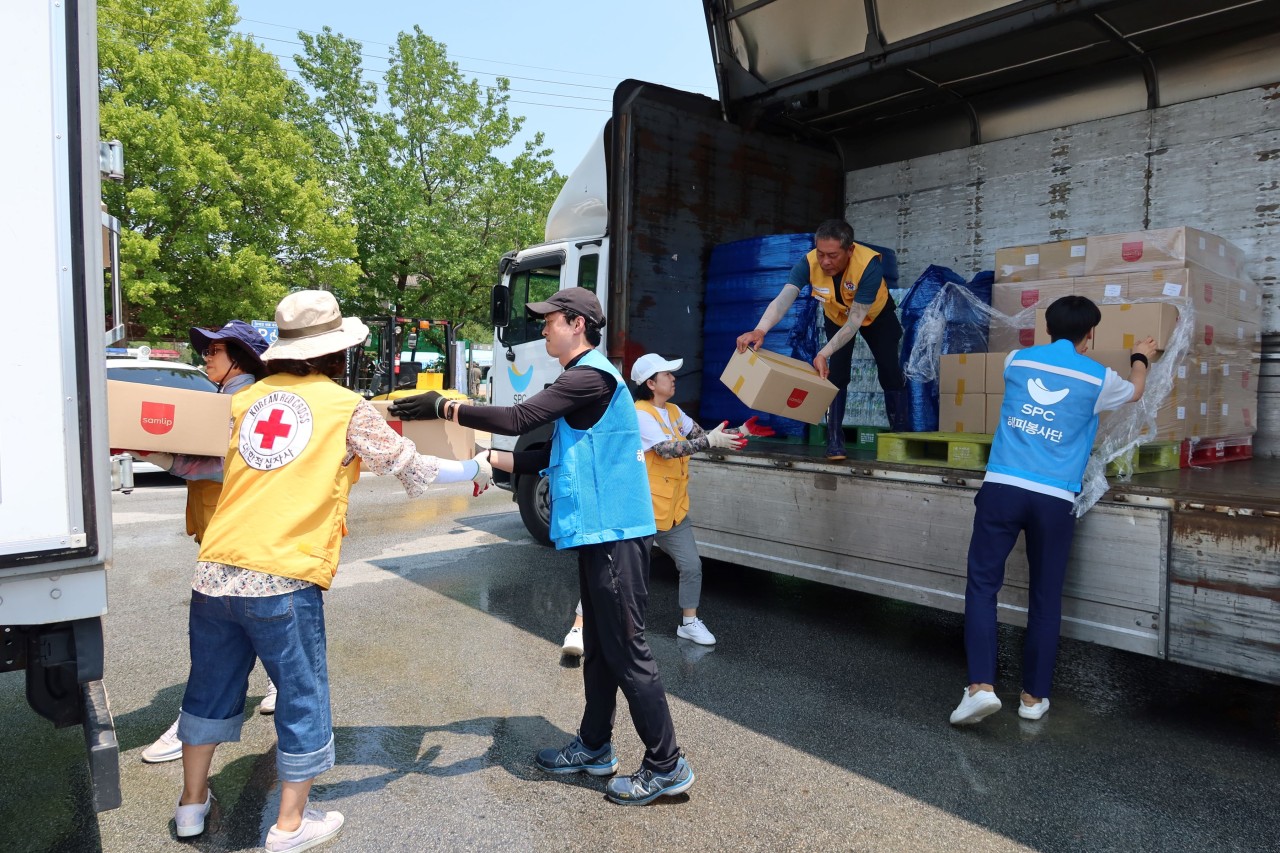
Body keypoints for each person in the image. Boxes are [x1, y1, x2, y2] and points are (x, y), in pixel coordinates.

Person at [172, 291, 492, 849]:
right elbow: (406, 463)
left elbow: (205, 460)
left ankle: (191, 807)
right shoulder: (344, 406)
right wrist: (475, 468)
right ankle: (290, 825)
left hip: (216, 568)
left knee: (208, 687)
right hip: (283, 572)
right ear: (337, 353)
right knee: (300, 693)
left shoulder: (247, 400)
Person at [388, 287, 695, 806]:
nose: (543, 329)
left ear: (576, 323)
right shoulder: (584, 381)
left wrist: (446, 406)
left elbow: (518, 419)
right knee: (600, 650)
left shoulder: (590, 376)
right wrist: (486, 464)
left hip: (616, 535)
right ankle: (595, 747)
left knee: (627, 650)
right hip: (599, 535)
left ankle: (667, 764)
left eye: (549, 320)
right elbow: (548, 456)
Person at [949, 296, 1157, 726]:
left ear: (1047, 328)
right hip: (1054, 497)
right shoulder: (1100, 378)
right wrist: (1141, 356)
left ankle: (980, 688)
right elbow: (1136, 393)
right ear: (1091, 335)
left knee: (983, 587)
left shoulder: (1016, 362)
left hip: (1002, 487)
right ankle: (1032, 699)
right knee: (1045, 597)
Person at [138, 321, 280, 764]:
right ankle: (275, 685)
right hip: (219, 524)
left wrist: (160, 455)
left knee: (222, 629)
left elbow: (226, 466)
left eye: (216, 349)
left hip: (235, 529)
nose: (206, 355)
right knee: (250, 619)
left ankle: (193, 725)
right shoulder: (221, 398)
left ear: (240, 356)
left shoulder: (244, 401)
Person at [559, 352, 753, 657]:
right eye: (667, 375)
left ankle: (689, 623)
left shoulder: (674, 412)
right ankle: (580, 627)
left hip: (673, 511)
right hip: (640, 510)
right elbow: (666, 449)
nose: (674, 379)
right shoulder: (639, 414)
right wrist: (709, 442)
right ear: (650, 383)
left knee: (691, 565)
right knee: (614, 572)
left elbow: (701, 436)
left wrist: (737, 433)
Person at [735, 219, 908, 461]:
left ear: (850, 250)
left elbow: (854, 323)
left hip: (873, 315)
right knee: (836, 375)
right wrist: (760, 330)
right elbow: (784, 299)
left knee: (889, 370)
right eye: (821, 253)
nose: (825, 261)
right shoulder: (808, 263)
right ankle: (835, 440)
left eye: (833, 255)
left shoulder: (868, 266)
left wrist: (822, 353)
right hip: (836, 315)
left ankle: (899, 434)